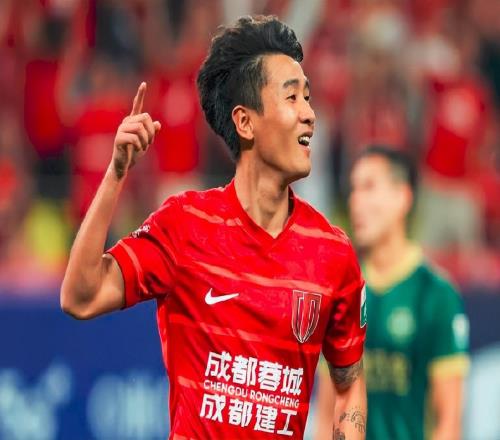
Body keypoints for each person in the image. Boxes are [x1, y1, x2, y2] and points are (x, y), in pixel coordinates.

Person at [60, 16, 367, 439]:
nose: (309, 115)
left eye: (309, 98)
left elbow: (348, 385)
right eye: (292, 97)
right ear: (245, 122)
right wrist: (115, 174)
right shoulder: (185, 224)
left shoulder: (332, 252)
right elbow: (80, 296)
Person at [314, 145, 469, 440]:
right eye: (353, 189)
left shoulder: (436, 294)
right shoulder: (341, 294)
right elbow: (326, 417)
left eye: (369, 187)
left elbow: (448, 422)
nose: (356, 201)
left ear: (402, 197)